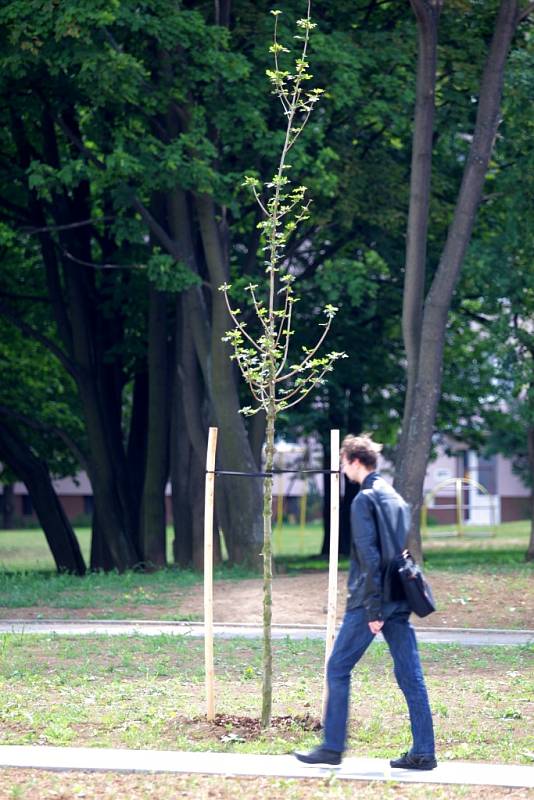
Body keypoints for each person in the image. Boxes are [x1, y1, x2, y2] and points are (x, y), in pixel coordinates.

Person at [295, 433, 437, 770]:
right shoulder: (395, 498)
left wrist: (373, 609)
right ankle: (424, 752)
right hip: (401, 596)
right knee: (410, 675)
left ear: (355, 461)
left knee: (338, 667)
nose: (343, 470)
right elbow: (399, 551)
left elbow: (371, 558)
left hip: (371, 600)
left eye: (344, 464)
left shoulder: (364, 500)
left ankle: (331, 747)